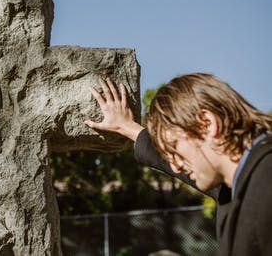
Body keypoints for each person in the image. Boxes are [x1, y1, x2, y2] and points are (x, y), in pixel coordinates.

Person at [84, 74, 272, 256]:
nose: (176, 167)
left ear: (206, 123)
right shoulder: (235, 182)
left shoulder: (266, 183)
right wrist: (128, 127)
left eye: (174, 148)